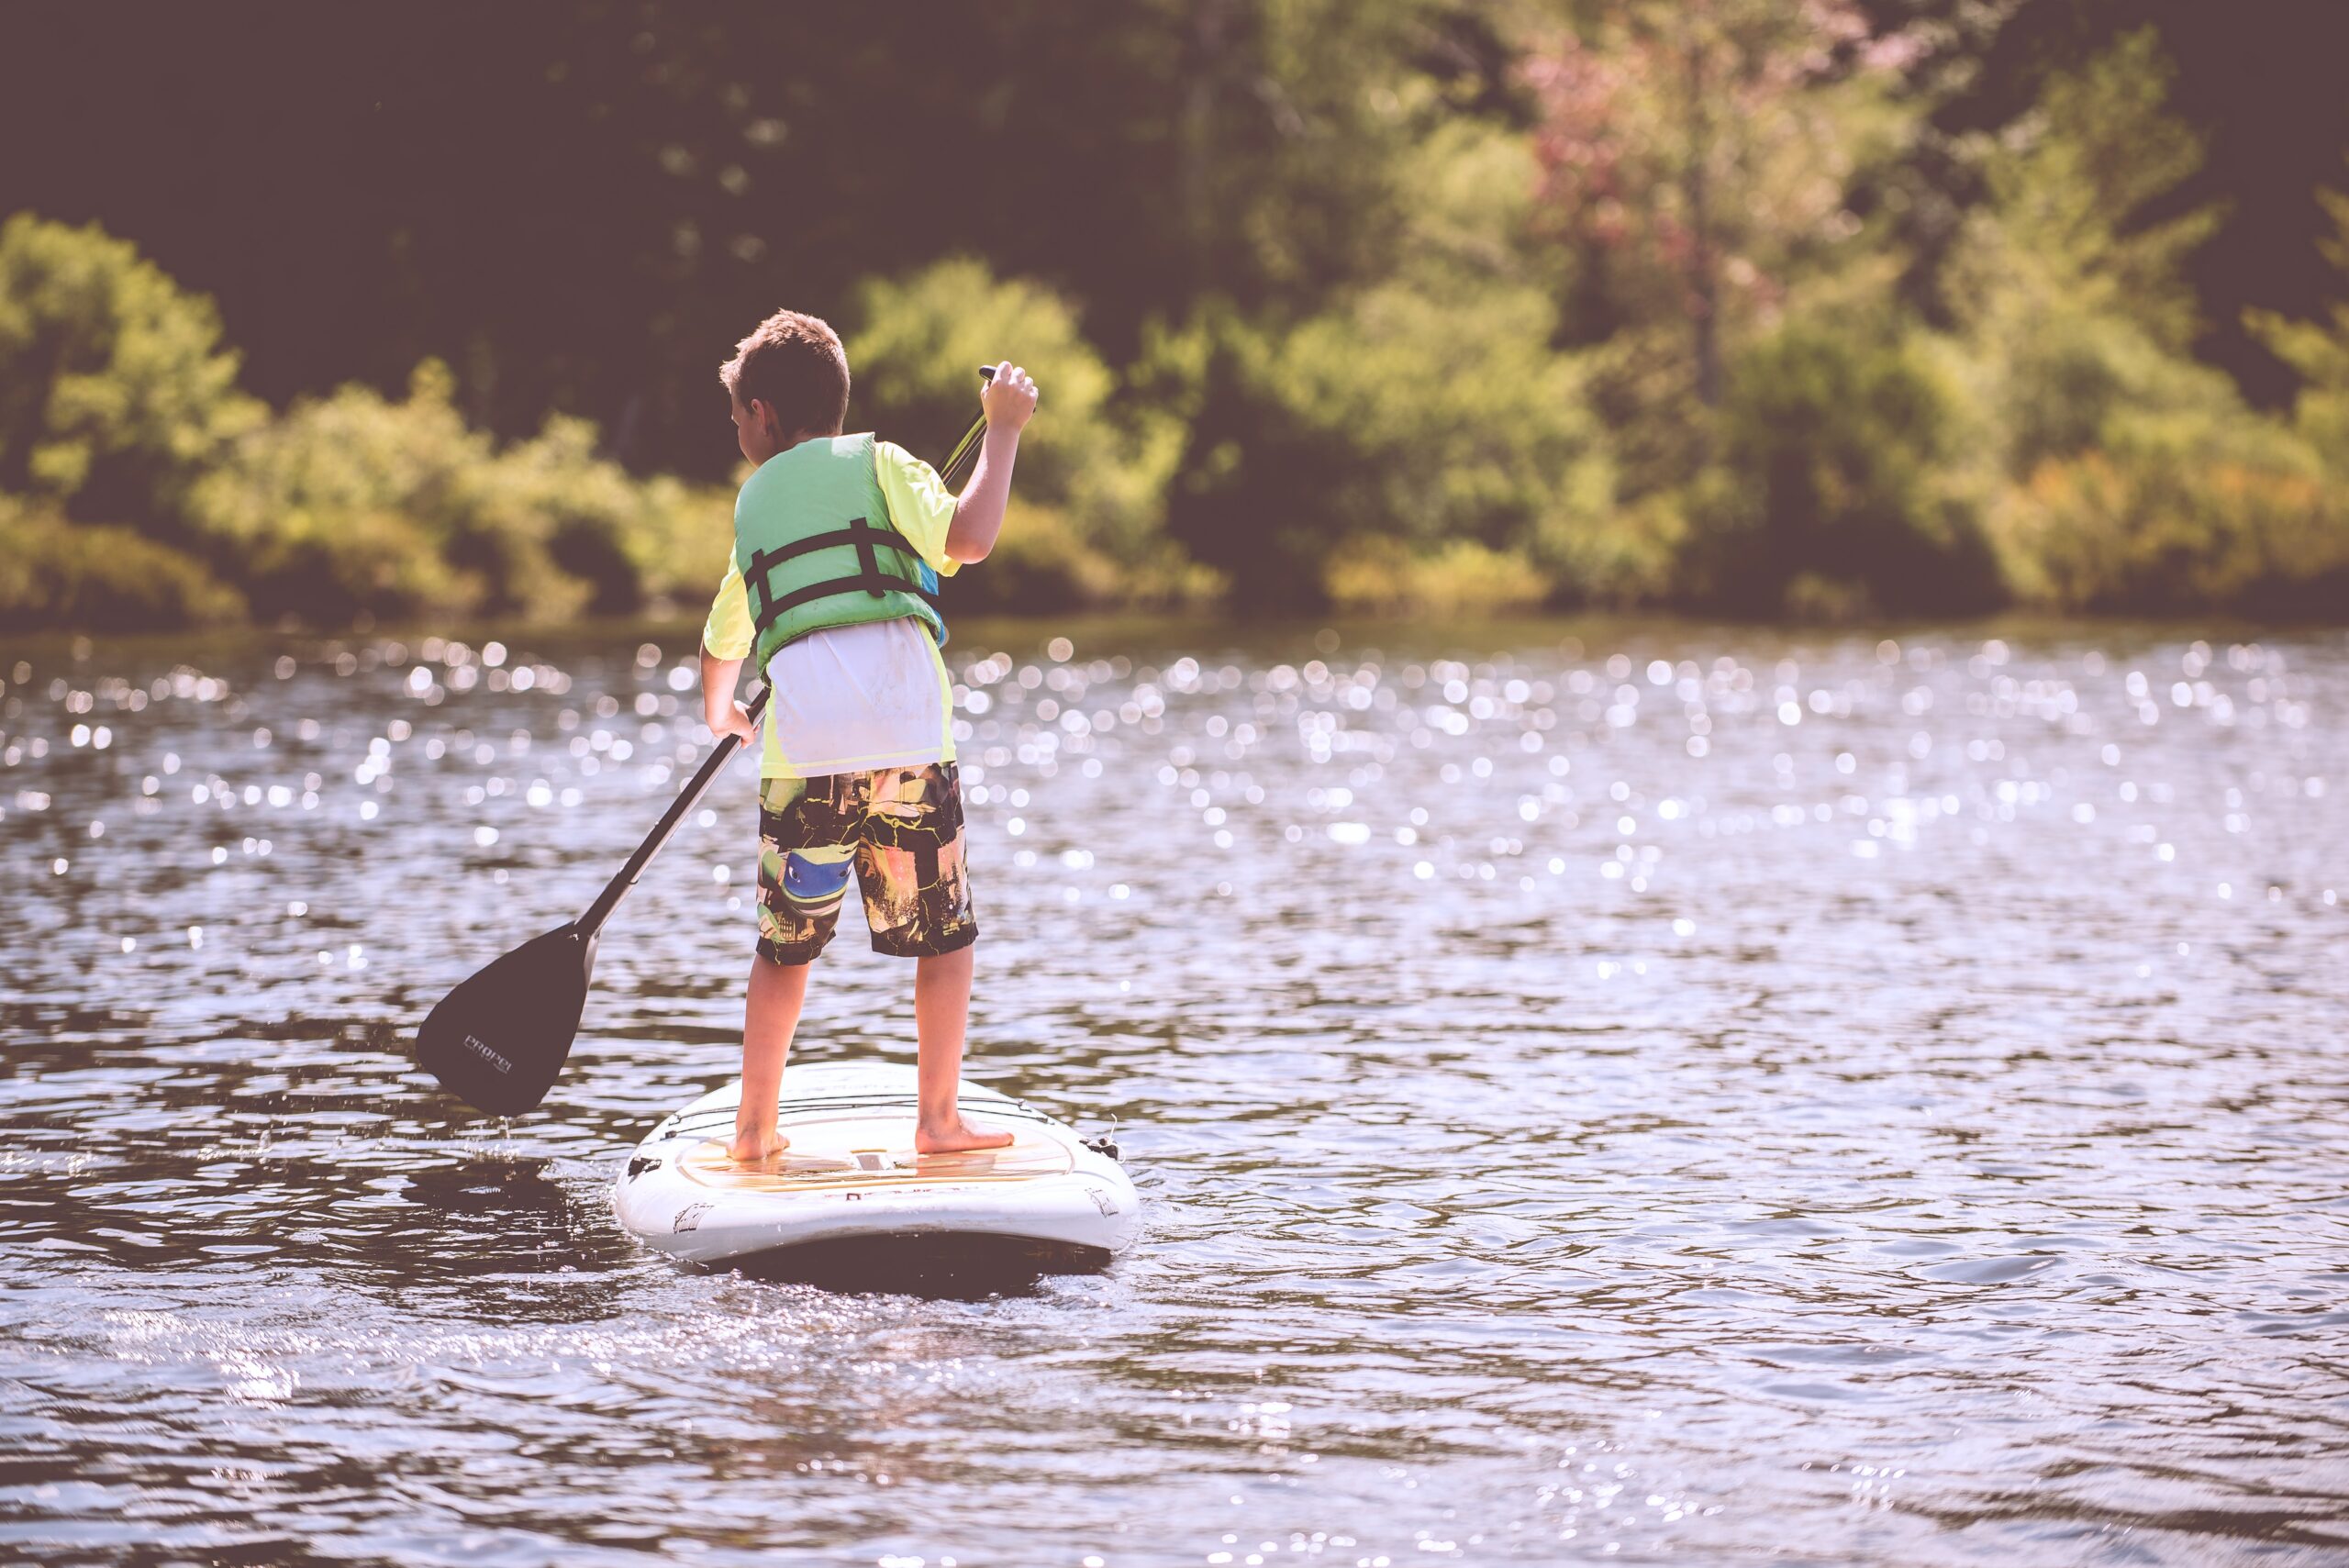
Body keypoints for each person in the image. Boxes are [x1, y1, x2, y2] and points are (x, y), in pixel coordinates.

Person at [698, 307, 1038, 1162]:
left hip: (806, 760)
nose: (736, 427)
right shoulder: (884, 464)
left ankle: (752, 1130)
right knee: (945, 937)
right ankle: (938, 1121)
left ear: (765, 414)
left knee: (785, 951)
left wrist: (722, 712)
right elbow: (972, 535)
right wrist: (1002, 435)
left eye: (738, 412)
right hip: (910, 749)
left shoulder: (753, 506)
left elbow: (723, 639)